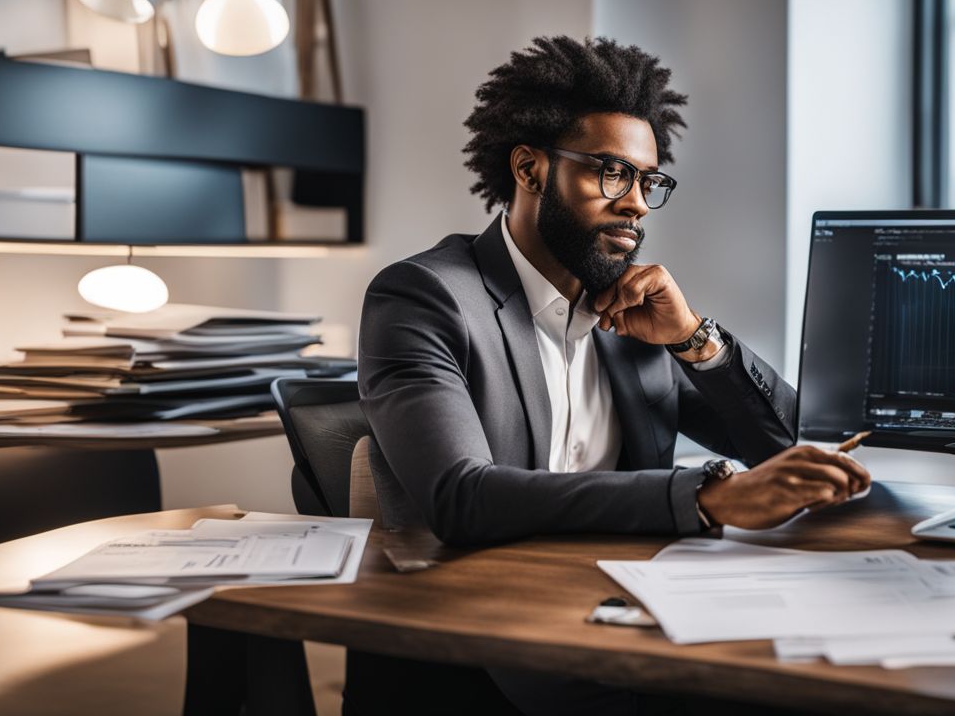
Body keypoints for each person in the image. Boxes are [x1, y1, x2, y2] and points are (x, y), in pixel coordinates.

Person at [355, 36, 868, 714]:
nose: (638, 205)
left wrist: (694, 340)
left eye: (648, 181)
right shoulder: (424, 297)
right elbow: (461, 497)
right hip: (498, 640)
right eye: (610, 172)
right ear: (531, 169)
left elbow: (792, 450)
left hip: (634, 611)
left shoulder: (632, 316)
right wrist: (706, 497)